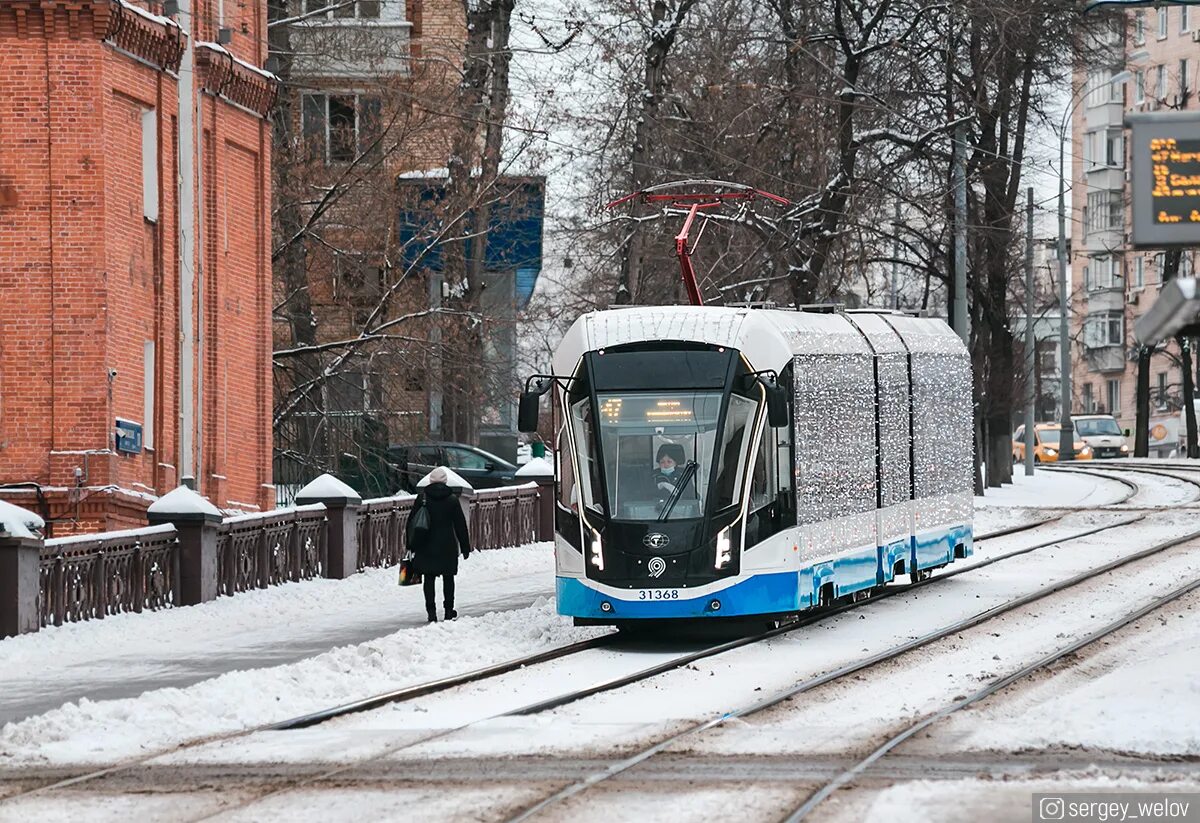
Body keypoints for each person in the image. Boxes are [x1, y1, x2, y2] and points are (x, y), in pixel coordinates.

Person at [408, 467, 472, 622]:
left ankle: (431, 612)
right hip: (447, 545)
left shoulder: (422, 499)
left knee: (429, 578)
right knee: (448, 578)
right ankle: (449, 610)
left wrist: (410, 545)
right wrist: (465, 547)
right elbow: (460, 525)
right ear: (445, 481)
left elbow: (411, 523)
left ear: (430, 481)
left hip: (426, 544)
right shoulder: (452, 500)